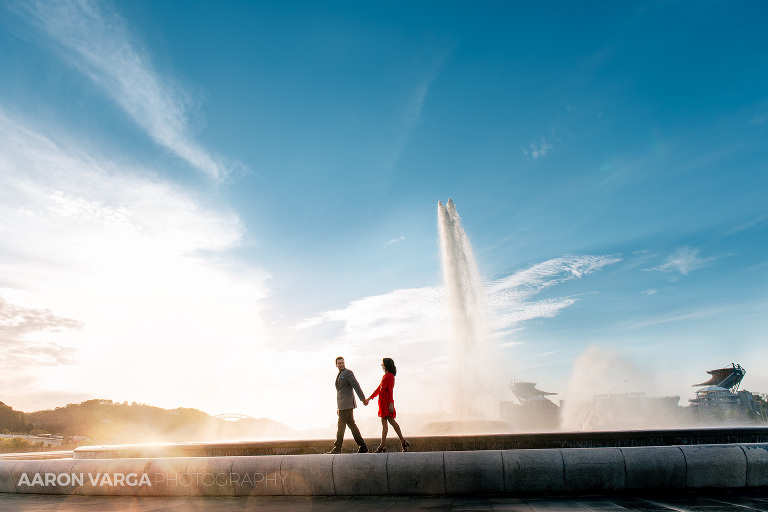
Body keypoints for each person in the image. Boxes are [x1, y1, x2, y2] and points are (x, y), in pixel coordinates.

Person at [327, 356, 369, 454]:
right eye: (339, 363)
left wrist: (363, 399)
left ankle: (337, 447)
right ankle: (363, 446)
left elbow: (356, 385)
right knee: (351, 425)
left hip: (347, 404)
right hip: (343, 405)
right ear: (336, 365)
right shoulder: (340, 374)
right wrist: (339, 407)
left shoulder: (348, 373)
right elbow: (340, 391)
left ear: (344, 363)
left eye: (342, 363)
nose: (341, 364)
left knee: (341, 425)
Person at [368, 357, 410, 453]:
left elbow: (390, 390)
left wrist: (391, 403)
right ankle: (383, 445)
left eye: (382, 363)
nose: (381, 365)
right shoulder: (385, 376)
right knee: (384, 424)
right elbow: (378, 389)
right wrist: (369, 399)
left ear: (386, 365)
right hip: (382, 402)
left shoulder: (390, 376)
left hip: (387, 401)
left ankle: (402, 441)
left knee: (391, 421)